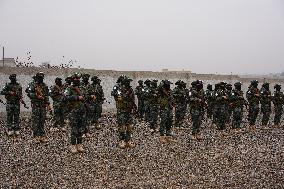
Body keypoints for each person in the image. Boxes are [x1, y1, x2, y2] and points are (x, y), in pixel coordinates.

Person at [64, 73, 87, 153]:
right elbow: (65, 97)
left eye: (78, 79)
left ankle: (79, 144)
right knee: (74, 128)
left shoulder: (82, 88)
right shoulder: (69, 88)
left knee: (81, 128)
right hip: (73, 111)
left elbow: (85, 97)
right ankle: (73, 145)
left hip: (82, 111)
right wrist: (76, 97)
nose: (78, 80)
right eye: (76, 79)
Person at [26, 72, 51, 143]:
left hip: (43, 106)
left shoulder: (44, 86)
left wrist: (48, 105)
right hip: (36, 105)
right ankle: (35, 136)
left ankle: (42, 135)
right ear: (36, 78)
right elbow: (29, 93)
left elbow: (46, 96)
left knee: (42, 120)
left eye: (42, 78)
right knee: (36, 120)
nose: (41, 79)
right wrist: (36, 96)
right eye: (39, 78)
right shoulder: (32, 84)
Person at [112, 76, 136, 148]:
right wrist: (124, 97)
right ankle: (122, 140)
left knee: (130, 126)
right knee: (122, 125)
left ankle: (128, 140)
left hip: (129, 110)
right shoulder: (119, 89)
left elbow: (132, 99)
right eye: (127, 82)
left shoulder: (131, 90)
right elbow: (118, 98)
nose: (129, 83)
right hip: (122, 110)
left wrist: (134, 107)